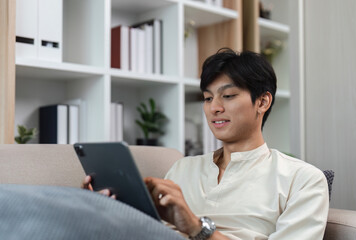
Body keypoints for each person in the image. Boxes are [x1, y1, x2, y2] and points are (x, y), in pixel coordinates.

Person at [83, 49, 329, 240]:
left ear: (262, 102)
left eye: (228, 96)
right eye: (208, 98)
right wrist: (108, 211)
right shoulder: (182, 169)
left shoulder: (303, 179)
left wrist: (197, 227)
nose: (214, 108)